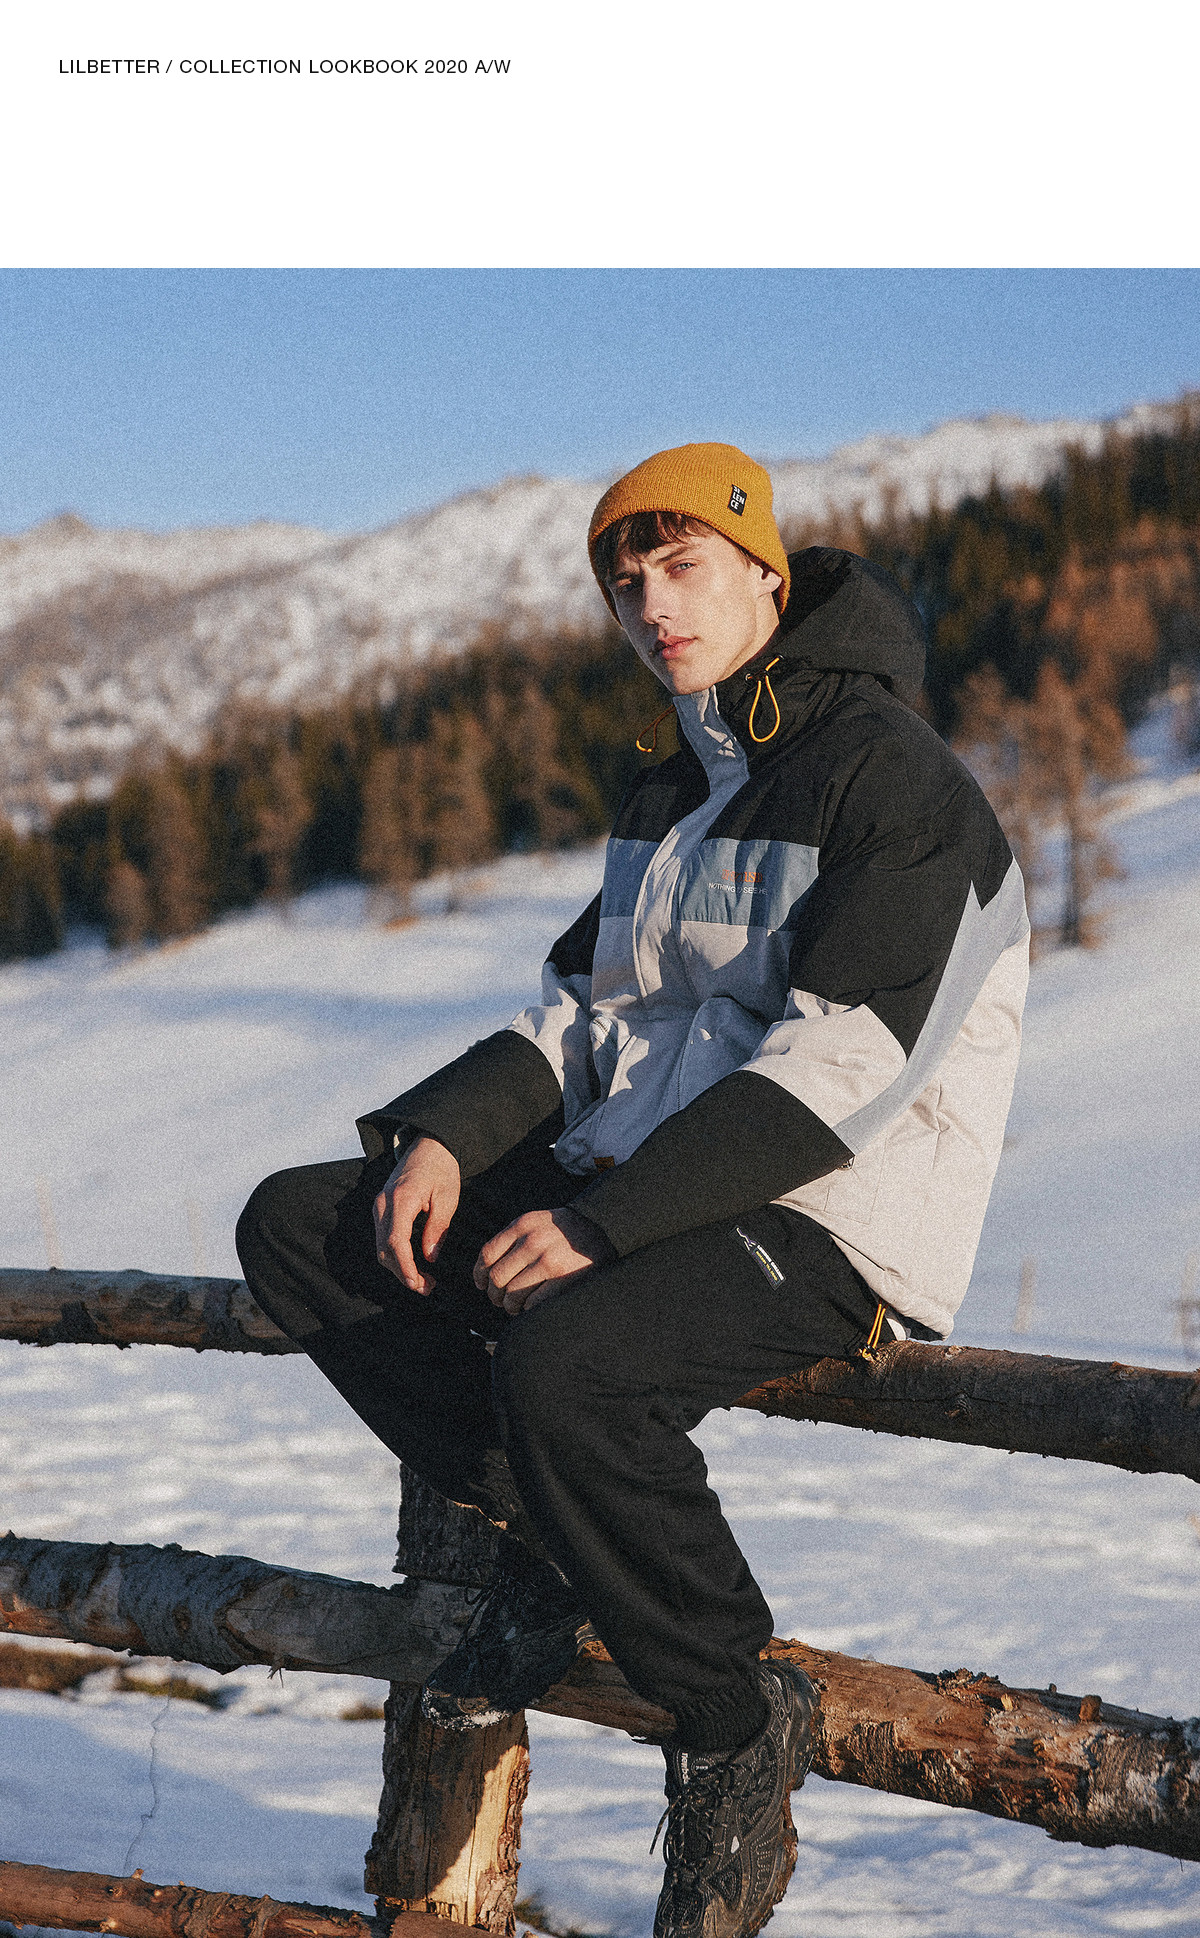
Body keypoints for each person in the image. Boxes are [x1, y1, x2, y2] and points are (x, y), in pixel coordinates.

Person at [237, 442, 1028, 1938]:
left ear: (766, 575)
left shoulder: (893, 779)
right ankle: (556, 1536)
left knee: (567, 1360)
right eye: (626, 584)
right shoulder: (683, 782)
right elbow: (581, 1018)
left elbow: (841, 1069)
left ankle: (731, 1719)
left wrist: (598, 1224)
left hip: (831, 1207)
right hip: (649, 1177)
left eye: (683, 567)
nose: (654, 606)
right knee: (305, 1227)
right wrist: (443, 1137)